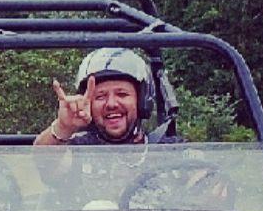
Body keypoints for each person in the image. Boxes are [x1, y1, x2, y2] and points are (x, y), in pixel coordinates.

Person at [34, 48, 174, 146]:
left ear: (141, 101)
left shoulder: (164, 149)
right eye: (100, 96)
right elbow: (44, 164)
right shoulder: (79, 149)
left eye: (122, 94)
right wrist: (63, 127)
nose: (111, 104)